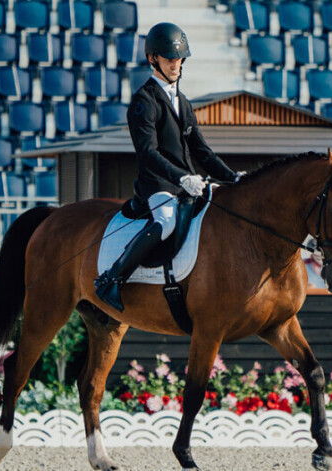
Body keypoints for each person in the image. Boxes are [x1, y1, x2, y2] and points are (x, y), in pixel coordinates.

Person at [94, 22, 242, 312]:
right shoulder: (144, 101)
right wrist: (182, 177)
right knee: (166, 221)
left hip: (186, 184)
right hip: (157, 186)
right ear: (153, 59)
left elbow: (202, 150)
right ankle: (113, 279)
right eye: (169, 59)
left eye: (179, 59)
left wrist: (233, 177)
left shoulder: (183, 102)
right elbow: (147, 153)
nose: (176, 64)